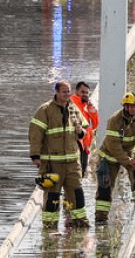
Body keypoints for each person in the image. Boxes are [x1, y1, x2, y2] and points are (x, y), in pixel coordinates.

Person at [30, 81, 90, 230]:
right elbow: (35, 134)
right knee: (52, 197)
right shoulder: (45, 110)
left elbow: (83, 131)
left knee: (77, 193)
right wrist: (35, 156)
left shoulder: (73, 109)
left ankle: (80, 225)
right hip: (53, 163)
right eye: (64, 92)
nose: (67, 94)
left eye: (68, 91)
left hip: (72, 162)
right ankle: (50, 228)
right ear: (56, 92)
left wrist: (79, 131)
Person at [94, 92, 135, 221]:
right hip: (109, 156)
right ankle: (101, 217)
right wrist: (127, 161)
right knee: (105, 187)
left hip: (130, 155)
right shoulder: (115, 120)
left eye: (134, 106)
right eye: (129, 106)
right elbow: (113, 145)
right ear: (124, 107)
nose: (132, 109)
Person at [70, 80, 99, 177]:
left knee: (81, 173)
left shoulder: (86, 105)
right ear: (76, 91)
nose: (85, 95)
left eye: (87, 93)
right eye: (82, 92)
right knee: (75, 174)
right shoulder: (71, 103)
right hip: (76, 144)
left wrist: (92, 110)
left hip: (85, 145)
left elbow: (94, 125)